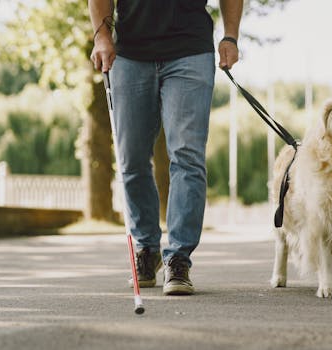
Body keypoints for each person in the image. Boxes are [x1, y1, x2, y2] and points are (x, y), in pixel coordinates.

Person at [88, 0, 243, 295]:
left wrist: (231, 35)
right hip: (130, 53)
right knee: (131, 158)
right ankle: (147, 249)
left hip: (190, 50)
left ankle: (179, 259)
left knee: (187, 155)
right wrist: (102, 35)